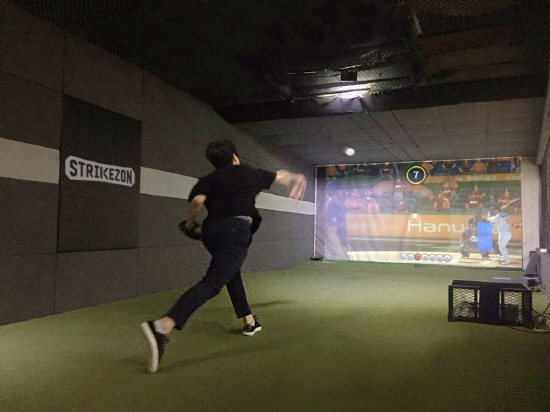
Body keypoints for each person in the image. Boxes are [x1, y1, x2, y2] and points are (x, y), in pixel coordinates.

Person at [140, 140, 307, 373]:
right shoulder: (249, 173)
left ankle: (249, 321)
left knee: (230, 272)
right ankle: (163, 326)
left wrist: (190, 223)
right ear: (235, 157)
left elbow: (198, 201)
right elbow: (281, 176)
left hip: (211, 232)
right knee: (212, 283)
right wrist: (297, 177)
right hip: (235, 231)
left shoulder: (208, 179)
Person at [325, 180, 350, 260]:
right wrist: (343, 255)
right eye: (341, 190)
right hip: (335, 250)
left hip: (336, 249)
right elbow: (331, 232)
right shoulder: (333, 207)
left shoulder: (334, 206)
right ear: (337, 191)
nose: (343, 192)